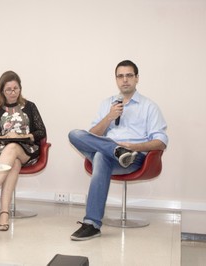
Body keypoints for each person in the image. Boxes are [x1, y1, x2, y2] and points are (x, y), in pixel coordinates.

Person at [68, 60, 168, 240]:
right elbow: (91, 136)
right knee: (75, 134)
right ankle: (116, 150)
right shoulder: (107, 104)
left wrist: (134, 147)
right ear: (116, 79)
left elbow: (161, 142)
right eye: (120, 76)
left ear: (137, 78)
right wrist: (109, 117)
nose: (125, 80)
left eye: (129, 75)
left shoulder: (149, 106)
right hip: (110, 152)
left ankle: (92, 223)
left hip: (134, 157)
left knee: (99, 156)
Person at [0, 70, 46, 231]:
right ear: (2, 91)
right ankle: (4, 215)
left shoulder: (30, 106)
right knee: (13, 162)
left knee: (14, 147)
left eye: (16, 88)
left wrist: (23, 136)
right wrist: (2, 138)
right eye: (8, 89)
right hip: (4, 152)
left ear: (20, 89)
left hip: (27, 150)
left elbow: (41, 132)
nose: (13, 92)